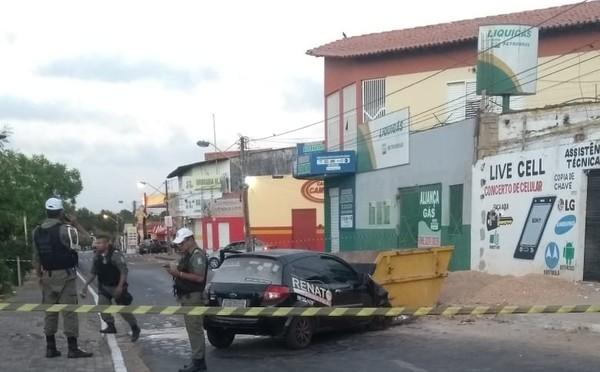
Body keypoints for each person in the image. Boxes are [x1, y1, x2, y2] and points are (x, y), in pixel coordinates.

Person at [32, 197, 93, 359]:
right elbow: (88, 240)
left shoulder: (36, 231)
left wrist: (39, 276)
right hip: (65, 276)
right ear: (61, 213)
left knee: (50, 312)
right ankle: (72, 349)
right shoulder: (66, 230)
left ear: (46, 212)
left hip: (47, 276)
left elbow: (36, 258)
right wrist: (75, 223)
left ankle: (50, 348)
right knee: (69, 312)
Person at [80, 235, 141, 342]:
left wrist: (120, 287)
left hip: (117, 286)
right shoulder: (97, 256)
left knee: (123, 310)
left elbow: (123, 271)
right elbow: (93, 273)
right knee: (102, 307)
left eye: (100, 243)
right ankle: (110, 326)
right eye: (96, 243)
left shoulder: (115, 255)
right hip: (104, 286)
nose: (97, 245)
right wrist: (85, 285)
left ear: (107, 243)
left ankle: (135, 328)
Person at [166, 228, 209, 372]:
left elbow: (199, 277)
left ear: (190, 240)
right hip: (187, 296)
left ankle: (199, 363)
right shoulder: (189, 255)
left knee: (195, 329)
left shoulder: (197, 255)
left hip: (193, 297)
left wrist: (177, 273)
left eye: (182, 243)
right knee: (192, 330)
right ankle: (196, 360)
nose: (180, 246)